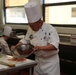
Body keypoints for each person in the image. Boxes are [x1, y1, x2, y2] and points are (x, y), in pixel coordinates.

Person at [11, 1, 60, 75]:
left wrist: (40, 48)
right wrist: (17, 46)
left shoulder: (50, 29)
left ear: (39, 22)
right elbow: (25, 40)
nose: (31, 27)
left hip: (50, 64)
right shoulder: (30, 29)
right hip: (38, 62)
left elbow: (54, 46)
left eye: (32, 25)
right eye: (29, 25)